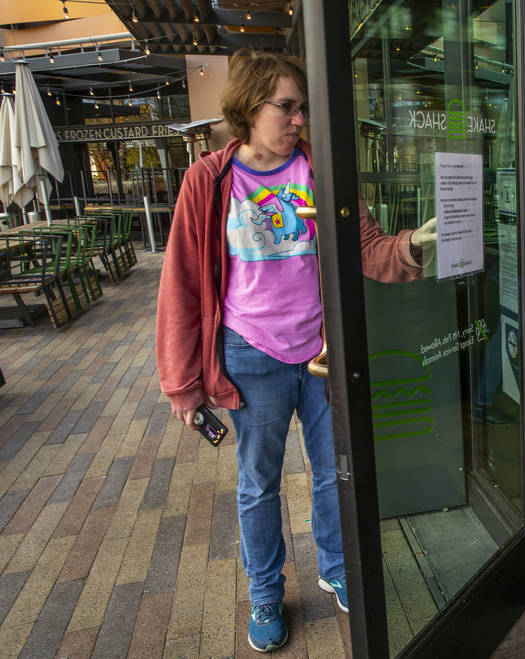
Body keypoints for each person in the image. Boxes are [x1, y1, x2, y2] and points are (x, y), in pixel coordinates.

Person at [155, 49, 435, 653]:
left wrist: (415, 243)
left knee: (333, 470)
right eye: (287, 106)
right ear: (250, 108)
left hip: (320, 353)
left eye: (302, 107)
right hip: (250, 352)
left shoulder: (320, 172)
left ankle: (335, 567)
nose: (299, 119)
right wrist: (182, 382)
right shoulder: (210, 180)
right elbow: (181, 280)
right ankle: (264, 591)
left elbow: (368, 248)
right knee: (258, 481)